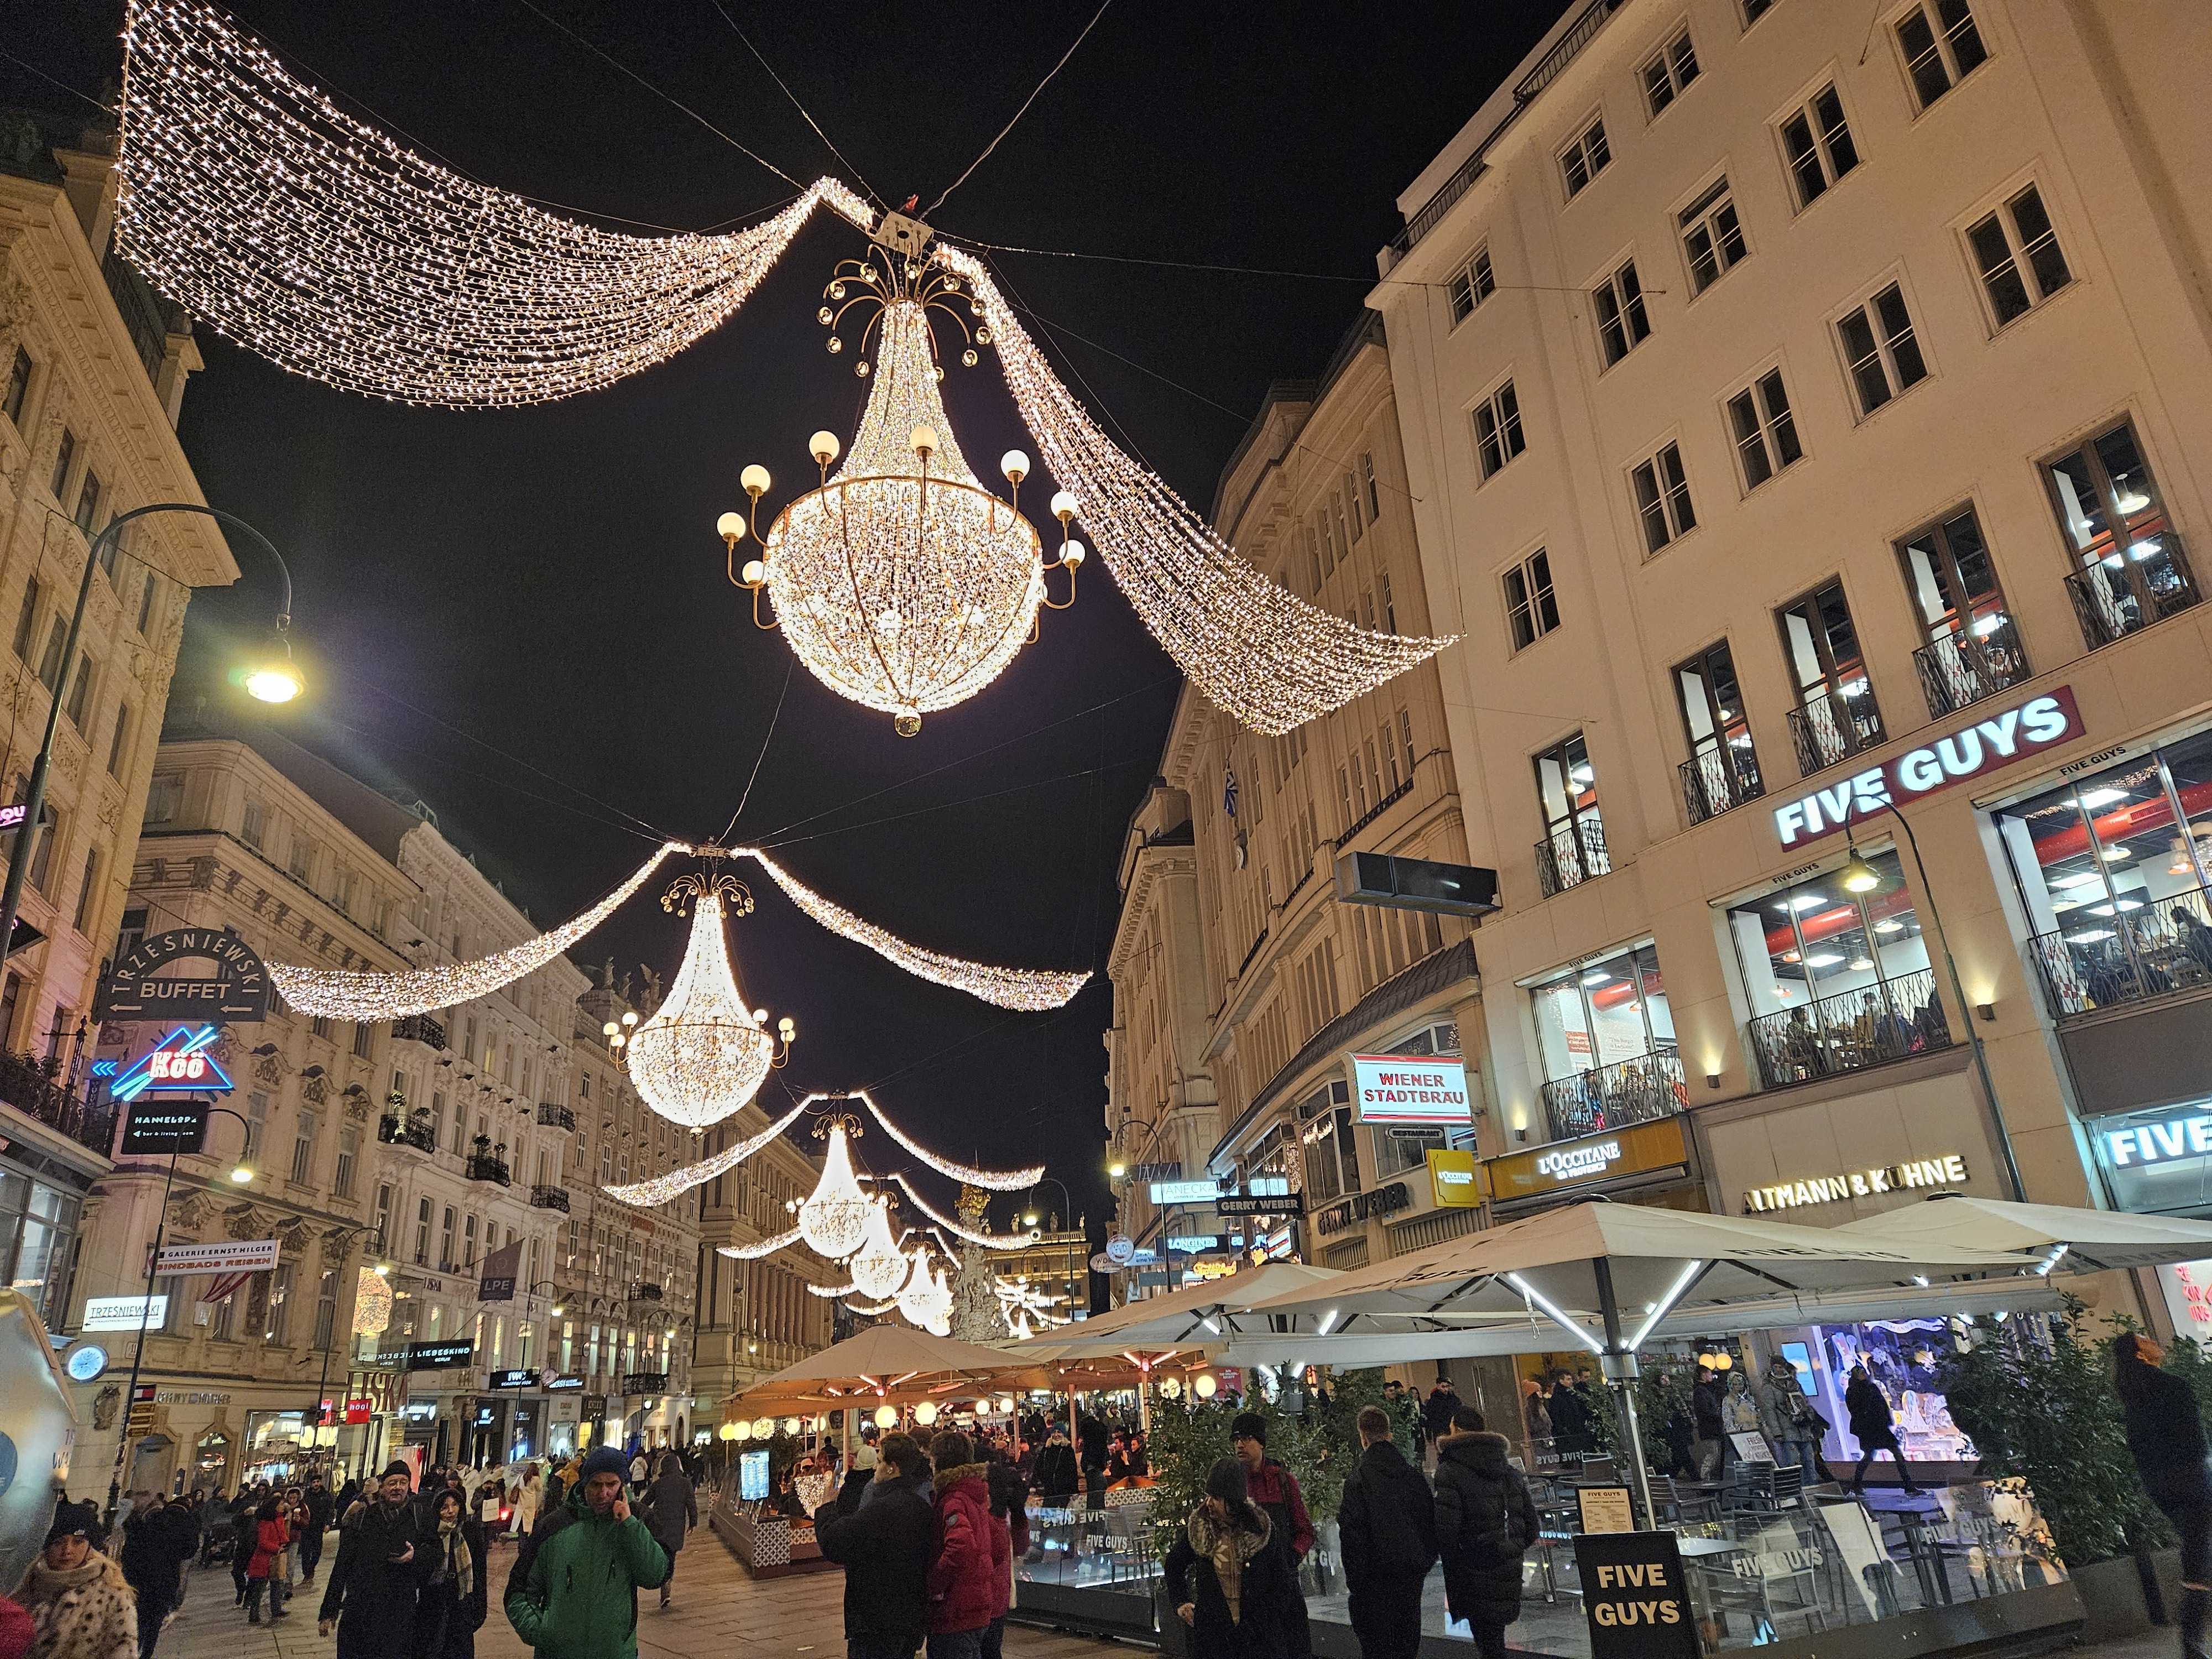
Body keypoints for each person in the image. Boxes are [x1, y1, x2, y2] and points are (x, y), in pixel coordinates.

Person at [504, 1446, 668, 1659]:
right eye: (596, 1485)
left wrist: (629, 1525)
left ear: (622, 1485)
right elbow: (518, 1591)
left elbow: (655, 1575)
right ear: (584, 1484)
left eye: (612, 1484)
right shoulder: (554, 1526)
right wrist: (543, 1631)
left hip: (616, 1652)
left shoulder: (637, 1522)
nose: (604, 1493)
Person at [2118, 1333, 2212, 1659]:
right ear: (2141, 1354)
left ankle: (2193, 1642)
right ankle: (2192, 1642)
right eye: (2147, 1340)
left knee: (2198, 1548)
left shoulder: (2132, 1395)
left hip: (2159, 1485)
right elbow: (2196, 1441)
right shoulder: (2174, 1387)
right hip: (2192, 1477)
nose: (2156, 1342)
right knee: (2198, 1557)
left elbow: (2139, 1449)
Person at [1433, 1407, 1540, 1659]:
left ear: (1457, 1430)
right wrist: (1509, 1547)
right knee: (1494, 1640)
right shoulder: (1508, 1471)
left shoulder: (1450, 1470)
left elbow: (1446, 1530)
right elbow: (1531, 1526)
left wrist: (1465, 1552)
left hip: (1471, 1571)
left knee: (1488, 1642)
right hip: (1507, 1569)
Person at [816, 1431, 934, 1659]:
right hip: (909, 1618)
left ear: (892, 1467)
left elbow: (834, 1543)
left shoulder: (883, 1509)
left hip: (876, 1620)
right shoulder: (921, 1507)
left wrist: (827, 1507)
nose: (875, 1467)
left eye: (880, 1461)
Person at [1162, 1458, 1293, 1659]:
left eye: (1216, 1497)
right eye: (1208, 1496)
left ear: (1232, 1500)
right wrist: (1182, 1602)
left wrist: (1270, 1619)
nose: (1209, 1503)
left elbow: (1281, 1582)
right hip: (1214, 1640)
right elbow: (1174, 1563)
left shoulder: (1262, 1531)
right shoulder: (1201, 1530)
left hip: (1259, 1640)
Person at [1337, 1404, 1438, 1659]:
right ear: (1389, 1434)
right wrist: (1422, 1563)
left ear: (1363, 1437)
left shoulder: (1358, 1481)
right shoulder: (1411, 1476)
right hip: (1409, 1578)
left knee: (1377, 1649)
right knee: (1406, 1646)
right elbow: (1429, 1523)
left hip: (1373, 1584)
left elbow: (1351, 1536)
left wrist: (1357, 1583)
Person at [318, 1462, 424, 1659]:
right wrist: (329, 1610)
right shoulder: (362, 1518)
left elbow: (434, 1555)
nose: (398, 1487)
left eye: (403, 1482)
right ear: (382, 1488)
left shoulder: (419, 1517)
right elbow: (342, 1565)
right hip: (361, 1611)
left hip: (399, 1614)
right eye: (392, 1483)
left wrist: (415, 1556)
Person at [1230, 1412, 1313, 1659]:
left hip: (1284, 1587)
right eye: (1236, 1439)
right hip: (1247, 1591)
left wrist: (1292, 1557)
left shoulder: (1284, 1482)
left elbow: (1305, 1530)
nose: (1239, 1445)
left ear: (1262, 1442)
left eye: (1246, 1438)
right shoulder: (1233, 1484)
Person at [13, 1501, 137, 1659]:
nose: (68, 1550)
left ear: (89, 1546)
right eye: (59, 1542)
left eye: (78, 1542)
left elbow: (124, 1651)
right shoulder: (29, 1587)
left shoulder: (112, 1595)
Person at [922, 1432, 1002, 1659]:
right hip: (979, 1607)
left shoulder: (953, 1498)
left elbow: (961, 1546)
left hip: (956, 1611)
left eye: (932, 1460)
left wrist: (935, 1582)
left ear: (939, 1462)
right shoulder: (975, 1494)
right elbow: (998, 1543)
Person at [414, 1489, 487, 1659]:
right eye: (444, 1507)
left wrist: (479, 1609)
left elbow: (480, 1572)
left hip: (461, 1604)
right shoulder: (429, 1533)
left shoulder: (469, 1532)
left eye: (455, 1505)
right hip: (433, 1604)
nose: (451, 1511)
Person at [117, 1493, 190, 1659]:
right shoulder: (172, 1528)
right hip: (164, 1583)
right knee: (154, 1622)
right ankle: (145, 1653)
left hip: (141, 1584)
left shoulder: (139, 1530)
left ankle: (136, 1650)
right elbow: (186, 1550)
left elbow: (128, 1557)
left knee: (140, 1621)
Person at [1844, 1364, 1923, 1494]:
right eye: (1860, 1372)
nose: (1863, 1374)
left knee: (1890, 1454)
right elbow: (1857, 1410)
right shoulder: (1855, 1390)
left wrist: (1886, 1419)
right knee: (1873, 1455)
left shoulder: (1869, 1387)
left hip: (1878, 1427)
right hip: (1869, 1428)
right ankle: (1857, 1484)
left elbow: (1881, 1405)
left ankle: (1908, 1485)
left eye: (1863, 1372)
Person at [982, 1448, 1029, 1659]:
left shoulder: (983, 1520)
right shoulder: (1007, 1518)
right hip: (1000, 1591)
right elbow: (1021, 1547)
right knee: (992, 1648)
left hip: (980, 1596)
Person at [640, 1452, 696, 1611]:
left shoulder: (658, 1484)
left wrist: (646, 1518)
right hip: (676, 1527)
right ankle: (666, 1582)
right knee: (671, 1554)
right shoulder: (686, 1484)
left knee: (661, 1552)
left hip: (659, 1525)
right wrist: (693, 1523)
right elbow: (691, 1504)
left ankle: (662, 1578)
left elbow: (644, 1503)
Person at [1756, 1354, 1822, 1483]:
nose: (1778, 1370)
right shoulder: (1769, 1387)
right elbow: (1769, 1411)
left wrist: (1808, 1418)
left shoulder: (1794, 1383)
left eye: (1780, 1367)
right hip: (1786, 1430)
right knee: (1793, 1463)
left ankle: (1812, 1488)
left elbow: (1805, 1402)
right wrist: (1777, 1432)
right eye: (1775, 1367)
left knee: (1809, 1460)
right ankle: (1799, 1490)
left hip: (1802, 1427)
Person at [242, 1494, 290, 1624]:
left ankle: (276, 1609)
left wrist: (285, 1543)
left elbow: (283, 1536)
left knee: (277, 1584)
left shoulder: (279, 1519)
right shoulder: (266, 1523)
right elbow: (262, 1542)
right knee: (259, 1588)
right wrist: (276, 1548)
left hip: (276, 1558)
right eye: (280, 1505)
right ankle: (254, 1614)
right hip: (264, 1559)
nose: (283, 1506)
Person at [1720, 1369, 1762, 1468]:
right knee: (1746, 1459)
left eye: (1741, 1384)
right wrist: (1733, 1434)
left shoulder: (1750, 1398)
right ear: (1731, 1385)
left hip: (1755, 1433)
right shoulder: (1728, 1400)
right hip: (1740, 1434)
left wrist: (1760, 1423)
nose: (1740, 1386)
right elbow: (1727, 1418)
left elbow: (1757, 1413)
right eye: (1736, 1384)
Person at [1691, 1365, 1726, 1479]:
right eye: (1710, 1373)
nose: (1712, 1376)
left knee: (1714, 1456)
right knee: (1712, 1456)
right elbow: (1704, 1411)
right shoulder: (1701, 1392)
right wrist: (1718, 1416)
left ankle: (1709, 1481)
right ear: (1704, 1374)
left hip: (1710, 1429)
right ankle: (1705, 1480)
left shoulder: (1704, 1390)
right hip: (1710, 1429)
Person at [1031, 1428, 1079, 1507]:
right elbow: (1038, 1467)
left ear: (1063, 1434)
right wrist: (1033, 1485)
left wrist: (1074, 1491)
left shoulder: (1068, 1450)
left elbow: (1072, 1472)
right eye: (1054, 1432)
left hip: (1064, 1492)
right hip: (1049, 1491)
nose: (1056, 1435)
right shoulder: (1046, 1449)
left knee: (1062, 1517)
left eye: (1059, 1432)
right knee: (1048, 1516)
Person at [300, 1478, 335, 1583]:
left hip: (318, 1527)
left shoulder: (326, 1496)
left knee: (317, 1551)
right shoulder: (307, 1496)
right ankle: (307, 1572)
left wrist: (328, 1524)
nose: (316, 1484)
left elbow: (330, 1510)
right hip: (307, 1527)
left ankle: (311, 1567)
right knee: (305, 1551)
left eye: (318, 1482)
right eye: (314, 1482)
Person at [1423, 1378, 1464, 1458]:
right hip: (1440, 1431)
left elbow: (1459, 1411)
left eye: (1447, 1387)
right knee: (1443, 1454)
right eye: (1443, 1387)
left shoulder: (1454, 1399)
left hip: (1452, 1430)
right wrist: (1429, 1433)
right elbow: (1430, 1418)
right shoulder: (1433, 1401)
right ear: (1438, 1386)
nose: (1446, 1389)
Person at [510, 1468, 541, 1542]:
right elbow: (539, 1489)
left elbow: (512, 1486)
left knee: (521, 1529)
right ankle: (524, 1547)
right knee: (527, 1529)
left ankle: (521, 1545)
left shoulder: (521, 1477)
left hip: (520, 1507)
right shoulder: (536, 1479)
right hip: (530, 1506)